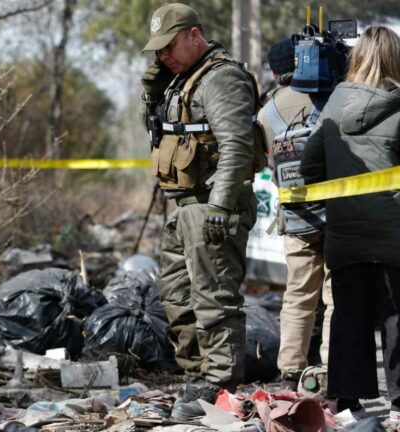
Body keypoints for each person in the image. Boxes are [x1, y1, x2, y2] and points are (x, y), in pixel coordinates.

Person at [140, 3, 259, 420]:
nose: (163, 56)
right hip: (182, 205)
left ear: (194, 35)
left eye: (169, 46)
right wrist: (152, 92)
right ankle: (198, 375)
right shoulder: (180, 79)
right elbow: (159, 131)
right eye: (157, 50)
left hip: (212, 205)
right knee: (176, 297)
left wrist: (221, 206)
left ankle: (220, 385)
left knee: (215, 299)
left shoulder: (221, 77)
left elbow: (237, 147)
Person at [301, 25, 400, 421]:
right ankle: (399, 405)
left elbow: (309, 166)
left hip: (344, 234)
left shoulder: (334, 105)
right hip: (394, 235)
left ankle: (347, 402)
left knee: (348, 316)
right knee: (396, 318)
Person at [257, 38, 333, 390]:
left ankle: (289, 374)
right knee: (336, 298)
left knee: (298, 296)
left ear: (275, 73)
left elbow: (262, 163)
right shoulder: (330, 98)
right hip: (336, 212)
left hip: (296, 217)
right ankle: (333, 372)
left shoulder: (265, 113)